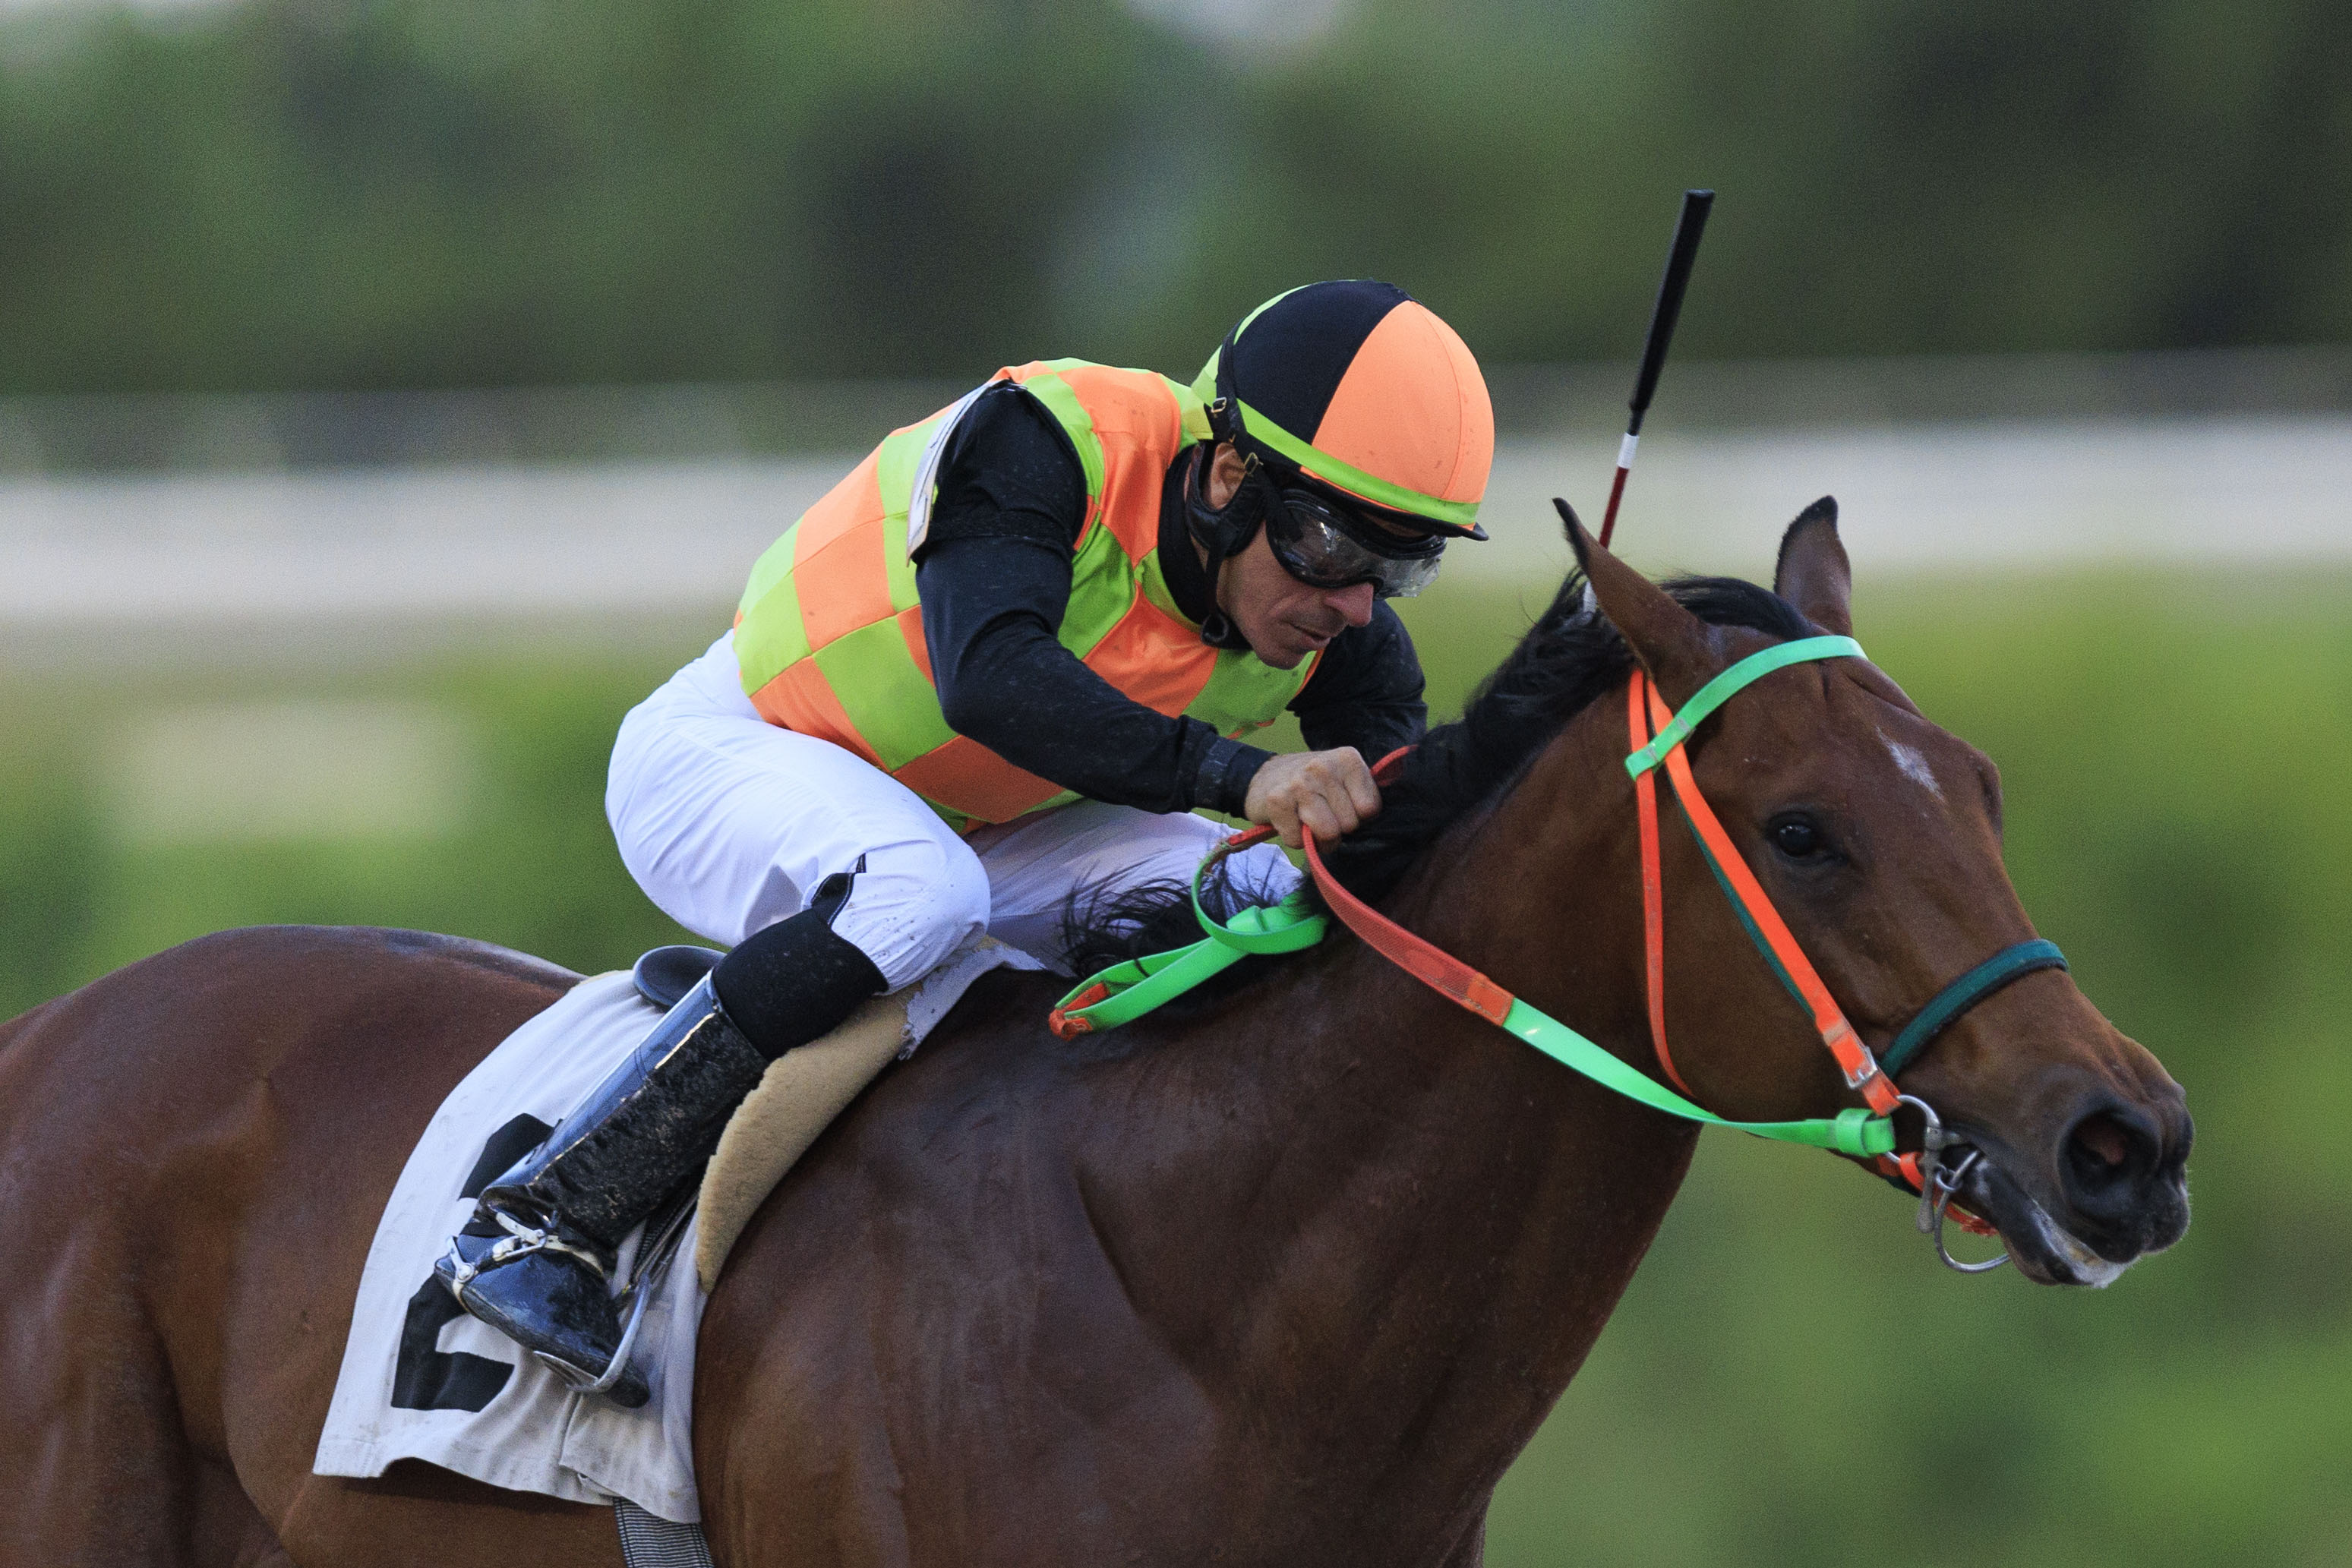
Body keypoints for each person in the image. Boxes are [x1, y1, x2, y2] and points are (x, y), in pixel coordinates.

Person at [437, 280, 1496, 1402]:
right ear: (1231, 477)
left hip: (987, 829)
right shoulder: (1046, 441)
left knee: (1260, 895)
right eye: (1333, 544)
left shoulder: (1321, 603)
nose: (1355, 606)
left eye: (1401, 565)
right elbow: (991, 676)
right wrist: (1246, 774)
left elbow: (1394, 827)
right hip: (729, 756)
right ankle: (541, 1212)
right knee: (919, 888)